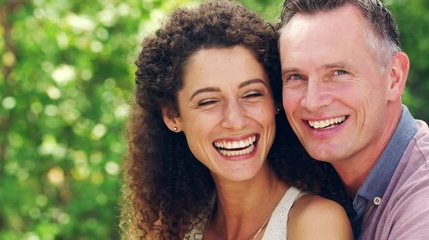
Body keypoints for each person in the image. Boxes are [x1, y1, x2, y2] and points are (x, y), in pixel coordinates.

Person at [120, 1, 353, 239]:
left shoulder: (315, 224)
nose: (236, 121)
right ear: (172, 115)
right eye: (208, 101)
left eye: (252, 94)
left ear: (275, 100)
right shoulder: (175, 228)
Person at [277, 0, 429, 239]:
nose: (312, 101)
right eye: (296, 76)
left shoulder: (422, 204)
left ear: (394, 77)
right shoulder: (304, 179)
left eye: (338, 73)